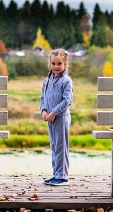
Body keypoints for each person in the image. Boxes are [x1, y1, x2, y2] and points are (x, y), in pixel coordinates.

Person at [40, 48, 73, 186]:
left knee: (61, 147)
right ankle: (56, 174)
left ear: (65, 64)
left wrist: (54, 112)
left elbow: (67, 101)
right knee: (54, 146)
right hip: (50, 119)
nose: (56, 66)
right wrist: (43, 111)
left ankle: (62, 176)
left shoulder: (66, 81)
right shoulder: (47, 81)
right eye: (53, 63)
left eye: (59, 63)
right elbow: (43, 98)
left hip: (61, 118)